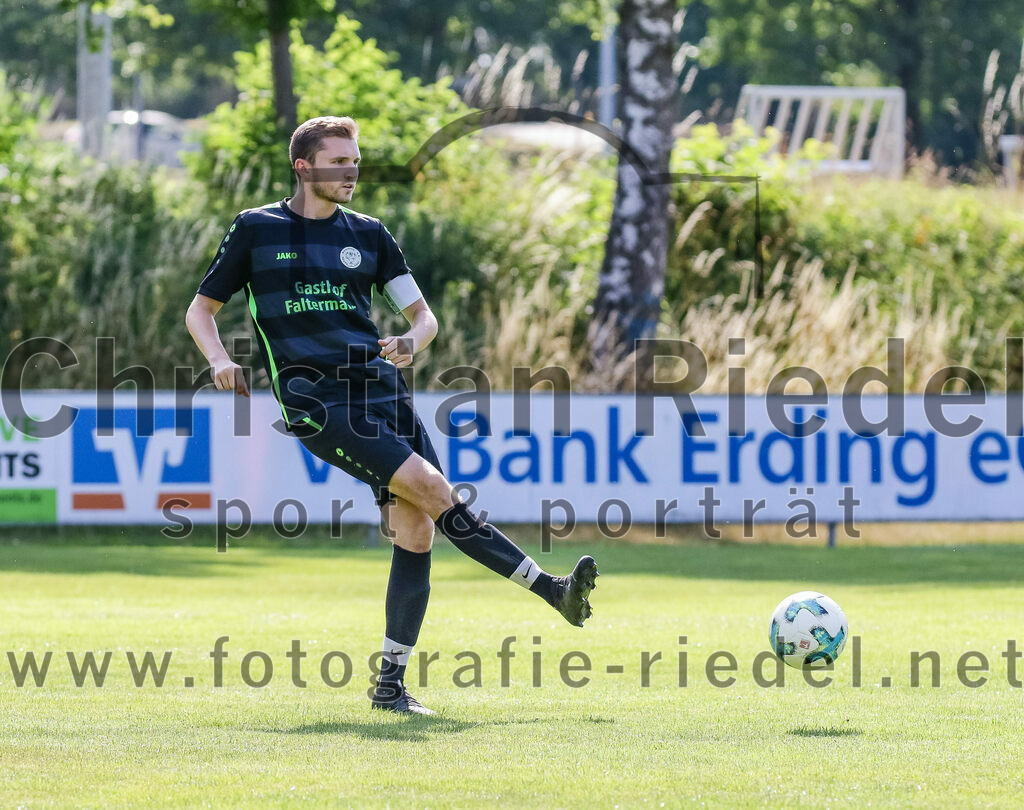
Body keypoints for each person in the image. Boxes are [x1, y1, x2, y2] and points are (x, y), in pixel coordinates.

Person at [185, 115, 599, 715]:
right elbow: (201, 311)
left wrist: (412, 341)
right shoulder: (256, 229)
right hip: (316, 402)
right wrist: (221, 360)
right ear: (304, 167)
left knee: (417, 526)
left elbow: (423, 318)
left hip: (384, 393)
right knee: (434, 489)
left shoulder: (371, 235)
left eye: (355, 159)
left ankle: (390, 686)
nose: (351, 169)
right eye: (338, 160)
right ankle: (552, 590)